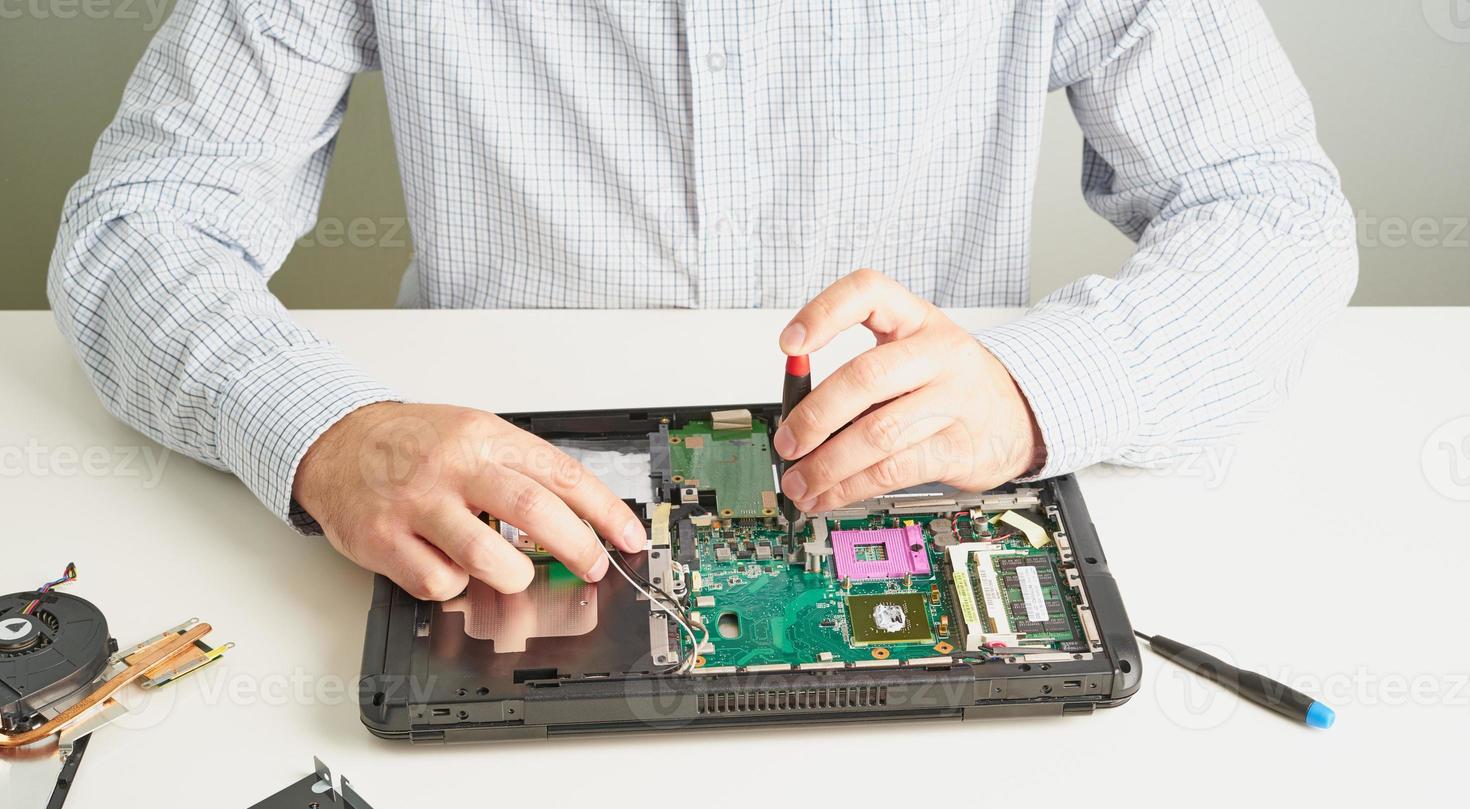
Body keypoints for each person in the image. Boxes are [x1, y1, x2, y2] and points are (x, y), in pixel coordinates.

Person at [49, 0, 1357, 601]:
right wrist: (323, 429)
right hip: (505, 542)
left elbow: (1271, 212)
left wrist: (1034, 389)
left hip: (924, 520)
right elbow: (140, 226)